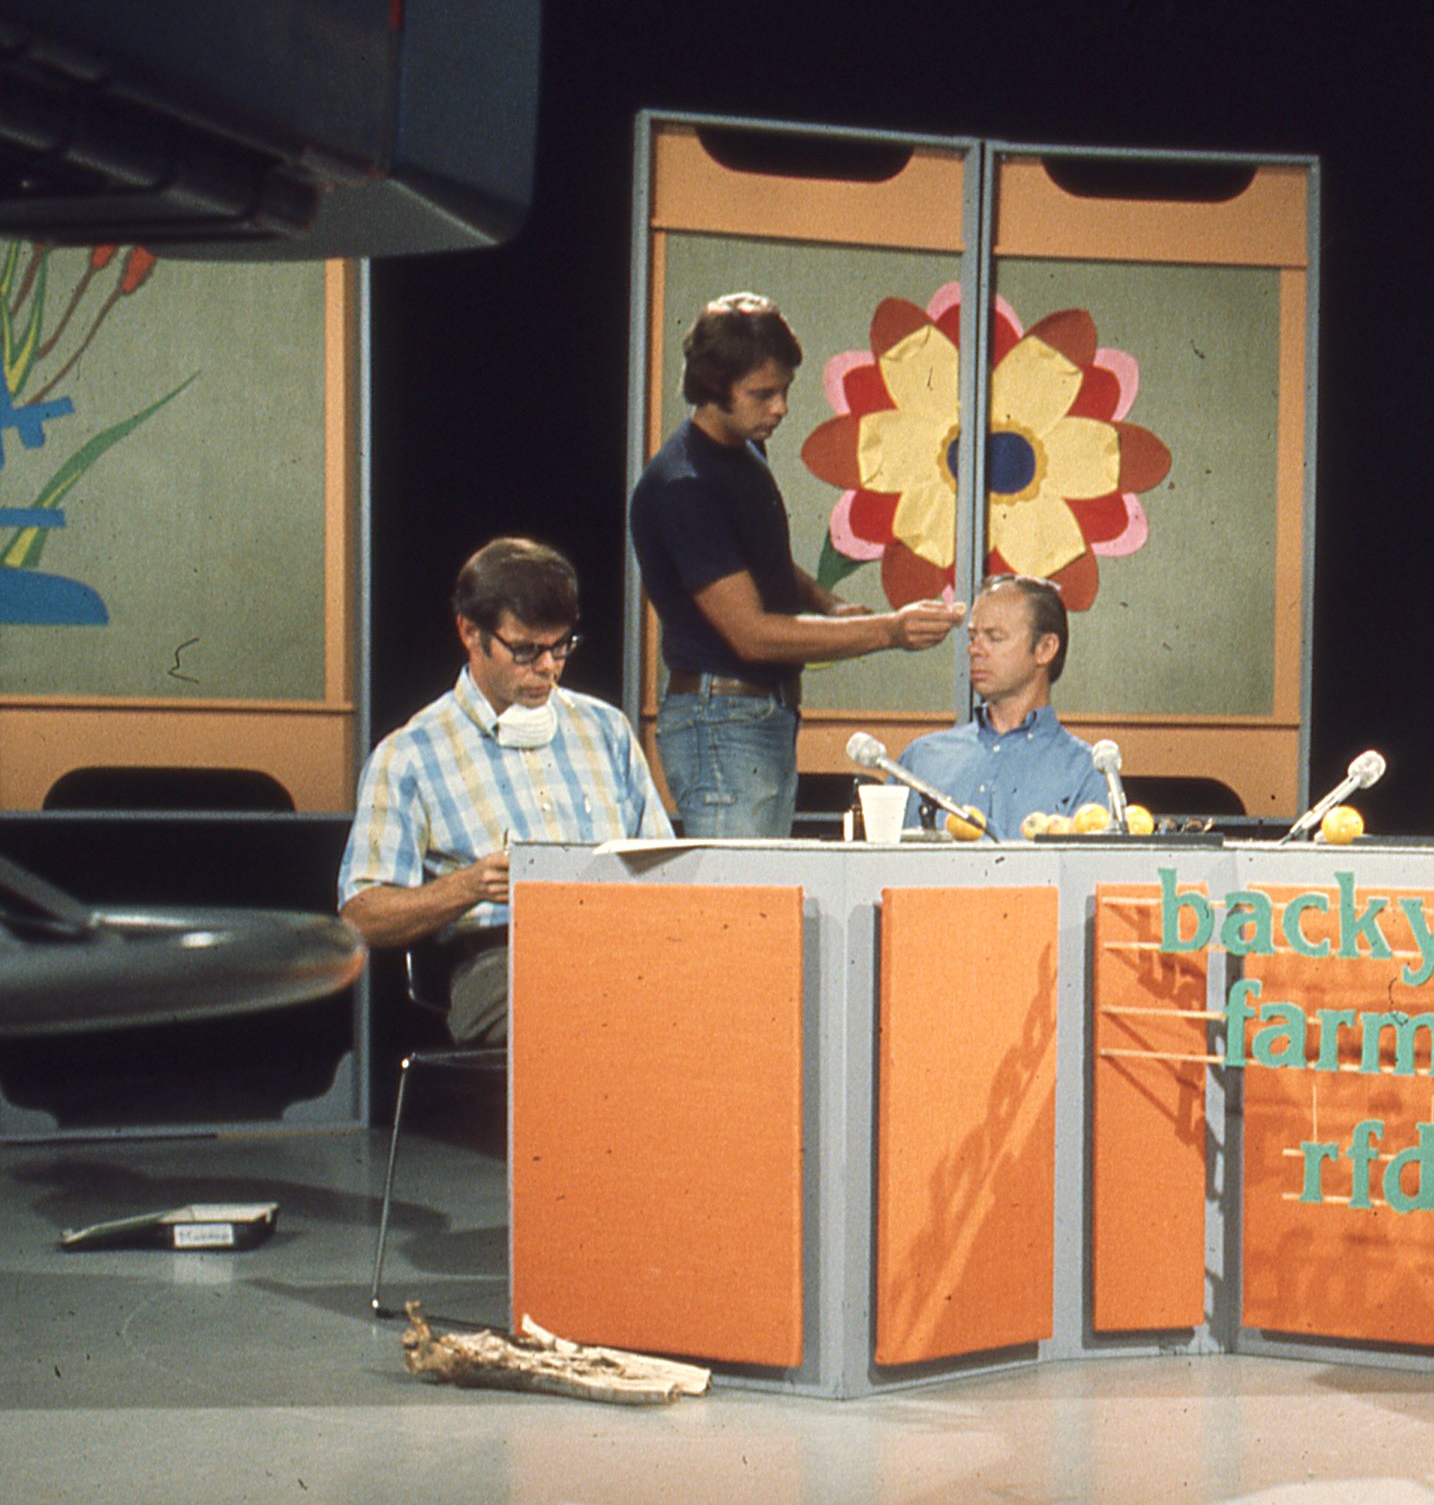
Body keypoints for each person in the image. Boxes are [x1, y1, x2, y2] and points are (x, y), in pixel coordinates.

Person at [629, 291, 962, 838]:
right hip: (723, 722)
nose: (780, 407)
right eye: (762, 394)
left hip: (758, 717)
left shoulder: (743, 452)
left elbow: (761, 564)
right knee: (744, 908)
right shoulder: (684, 485)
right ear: (713, 389)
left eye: (784, 390)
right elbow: (753, 635)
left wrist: (827, 603)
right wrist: (888, 630)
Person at [339, 538, 672, 1044]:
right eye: (525, 651)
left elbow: (664, 865)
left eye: (561, 647)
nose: (548, 668)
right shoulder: (411, 754)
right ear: (470, 633)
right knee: (589, 1017)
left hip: (619, 947)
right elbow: (361, 913)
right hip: (500, 962)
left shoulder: (606, 730)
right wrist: (469, 886)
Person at [896, 574, 1107, 833]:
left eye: (994, 637)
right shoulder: (922, 759)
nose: (974, 650)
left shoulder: (1086, 771)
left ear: (1045, 648)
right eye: (973, 637)